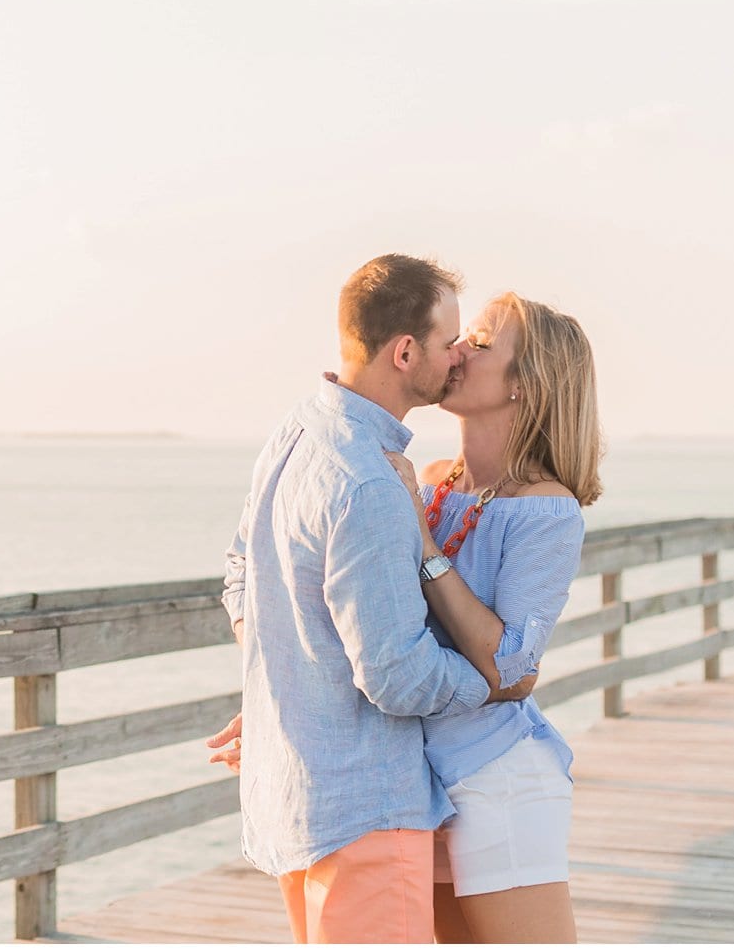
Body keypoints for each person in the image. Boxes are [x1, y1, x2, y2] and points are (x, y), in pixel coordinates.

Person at [206, 254, 536, 944]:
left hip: (295, 801)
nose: (458, 356)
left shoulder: (295, 432)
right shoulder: (372, 483)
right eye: (449, 341)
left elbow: (242, 575)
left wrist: (288, 683)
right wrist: (493, 679)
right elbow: (398, 675)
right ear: (406, 350)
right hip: (366, 810)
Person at [384, 290, 602, 943]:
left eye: (481, 342)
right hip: (420, 781)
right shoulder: (430, 480)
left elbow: (510, 664)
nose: (457, 349)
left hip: (498, 781)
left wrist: (422, 542)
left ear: (524, 385)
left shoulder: (547, 510)